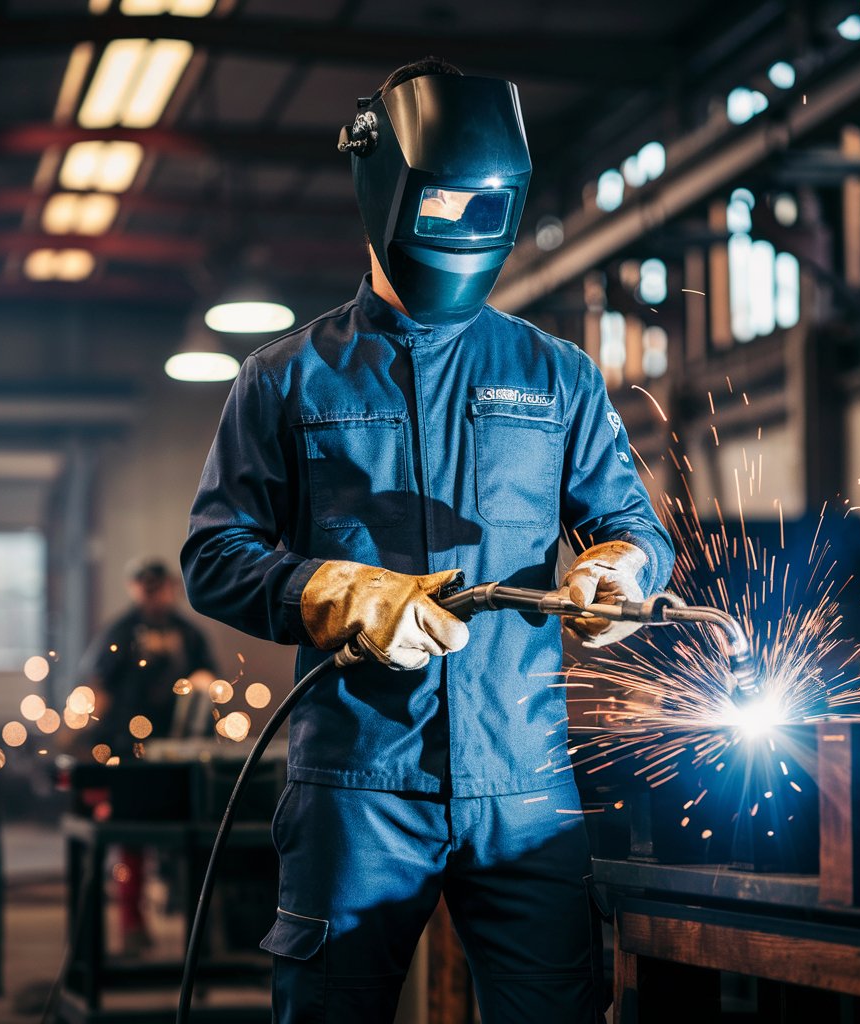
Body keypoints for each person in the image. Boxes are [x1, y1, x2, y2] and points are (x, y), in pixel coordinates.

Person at [182, 57, 674, 1024]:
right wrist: (333, 591)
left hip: (526, 783)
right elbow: (215, 555)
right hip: (359, 787)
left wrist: (619, 569)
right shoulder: (287, 380)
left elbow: (629, 524)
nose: (454, 231)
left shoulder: (555, 374)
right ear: (387, 193)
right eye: (438, 207)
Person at [77, 558, 218, 953]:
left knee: (196, 844)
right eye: (146, 587)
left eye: (160, 587)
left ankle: (200, 939)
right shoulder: (120, 633)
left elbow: (211, 679)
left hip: (183, 757)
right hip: (130, 756)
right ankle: (133, 926)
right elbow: (99, 685)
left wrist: (206, 683)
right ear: (134, 588)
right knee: (131, 844)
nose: (154, 595)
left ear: (172, 587)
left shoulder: (189, 636)